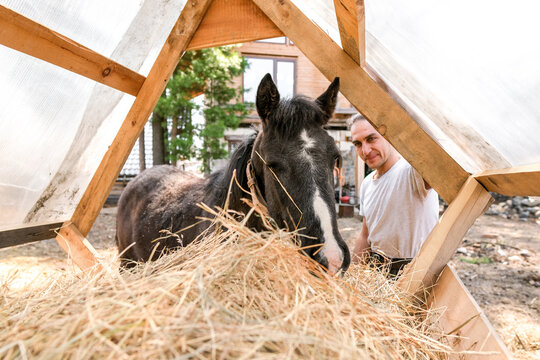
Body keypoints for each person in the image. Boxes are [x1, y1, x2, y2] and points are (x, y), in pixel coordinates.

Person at [348, 114, 439, 276]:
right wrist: (352, 276)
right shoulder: (367, 183)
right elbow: (365, 235)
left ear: (388, 134)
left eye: (371, 139)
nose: (365, 150)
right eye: (358, 144)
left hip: (413, 274)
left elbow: (436, 155)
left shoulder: (412, 172)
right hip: (377, 273)